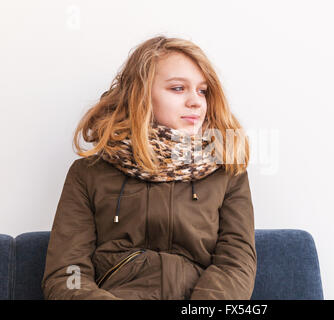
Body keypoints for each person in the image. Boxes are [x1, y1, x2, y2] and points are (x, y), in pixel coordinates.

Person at [41, 35, 257, 300]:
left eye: (202, 90)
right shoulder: (88, 173)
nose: (196, 101)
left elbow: (236, 264)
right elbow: (67, 273)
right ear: (140, 95)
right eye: (178, 88)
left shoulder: (227, 171)